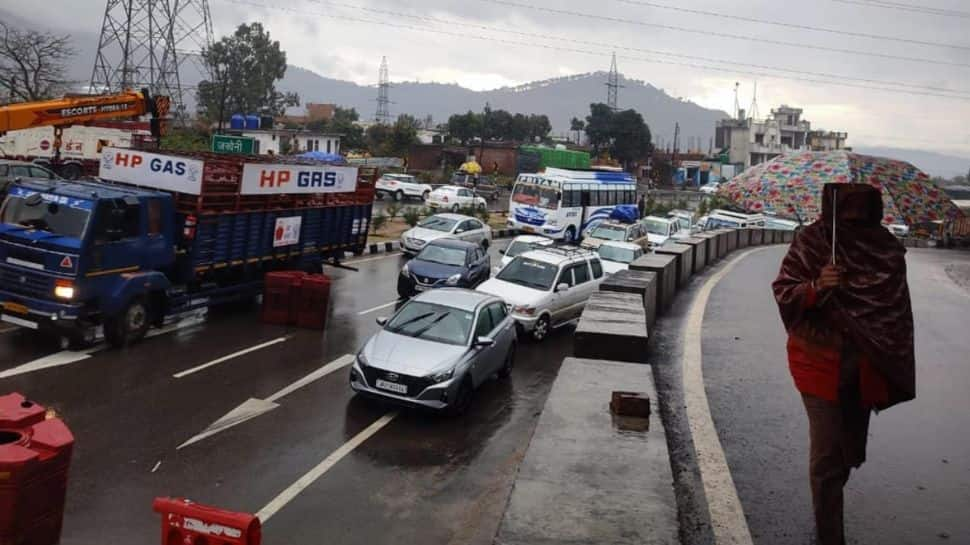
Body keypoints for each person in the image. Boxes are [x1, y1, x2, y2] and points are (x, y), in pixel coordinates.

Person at [772, 183, 915, 545]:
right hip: (817, 358)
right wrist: (818, 286)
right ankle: (830, 535)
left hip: (865, 361)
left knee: (847, 449)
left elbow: (893, 309)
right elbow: (785, 289)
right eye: (848, 210)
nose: (855, 218)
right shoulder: (814, 240)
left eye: (862, 210)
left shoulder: (884, 248)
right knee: (827, 457)